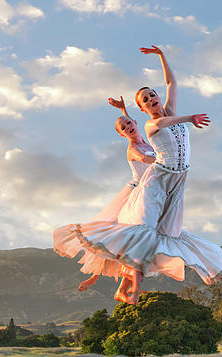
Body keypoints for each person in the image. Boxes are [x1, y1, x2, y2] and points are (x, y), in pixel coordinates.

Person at [56, 45, 222, 303]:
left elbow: (172, 82)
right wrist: (189, 117)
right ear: (143, 109)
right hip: (156, 179)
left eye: (152, 95)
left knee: (169, 234)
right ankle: (130, 290)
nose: (150, 99)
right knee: (144, 231)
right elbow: (158, 126)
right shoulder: (151, 124)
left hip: (178, 182)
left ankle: (126, 287)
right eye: (144, 100)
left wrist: (161, 56)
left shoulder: (168, 111)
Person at [52, 97, 155, 302]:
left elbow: (129, 121)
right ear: (121, 134)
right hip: (134, 196)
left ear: (135, 123)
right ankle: (112, 284)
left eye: (129, 123)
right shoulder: (134, 150)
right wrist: (170, 157)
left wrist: (123, 109)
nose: (128, 127)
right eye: (123, 128)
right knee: (119, 238)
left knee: (133, 243)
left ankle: (122, 287)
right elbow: (149, 160)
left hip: (148, 195)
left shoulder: (140, 135)